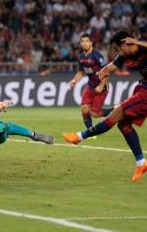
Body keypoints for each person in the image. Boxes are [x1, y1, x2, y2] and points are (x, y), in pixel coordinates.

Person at [63, 30, 147, 182]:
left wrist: (138, 42)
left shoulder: (142, 48)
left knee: (115, 115)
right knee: (123, 123)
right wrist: (104, 73)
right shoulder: (124, 54)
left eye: (118, 48)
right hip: (143, 87)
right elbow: (111, 66)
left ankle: (80, 136)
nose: (117, 52)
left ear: (126, 44)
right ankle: (141, 163)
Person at [70, 33, 113, 130]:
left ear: (91, 43)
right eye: (82, 41)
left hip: (101, 87)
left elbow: (107, 71)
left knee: (94, 113)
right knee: (84, 108)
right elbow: (81, 72)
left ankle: (115, 110)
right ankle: (90, 131)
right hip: (90, 86)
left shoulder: (97, 56)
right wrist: (74, 80)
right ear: (80, 44)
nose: (84, 43)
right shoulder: (81, 57)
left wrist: (101, 85)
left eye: (87, 41)